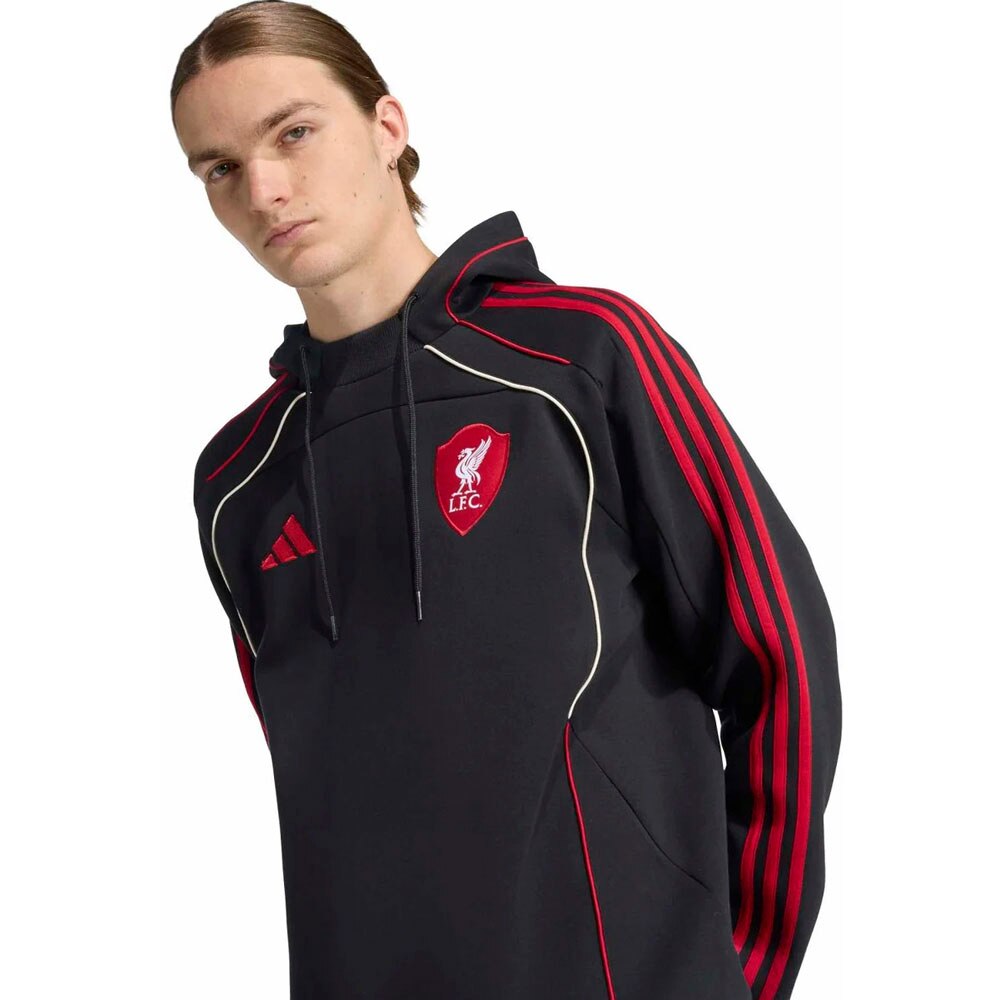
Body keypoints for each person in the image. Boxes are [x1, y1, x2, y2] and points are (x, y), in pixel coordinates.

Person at [173, 3, 842, 998]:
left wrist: (737, 971)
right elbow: (312, 775)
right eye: (220, 168)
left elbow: (777, 655)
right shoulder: (240, 479)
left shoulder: (580, 358)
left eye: (294, 132)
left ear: (387, 128)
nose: (264, 189)